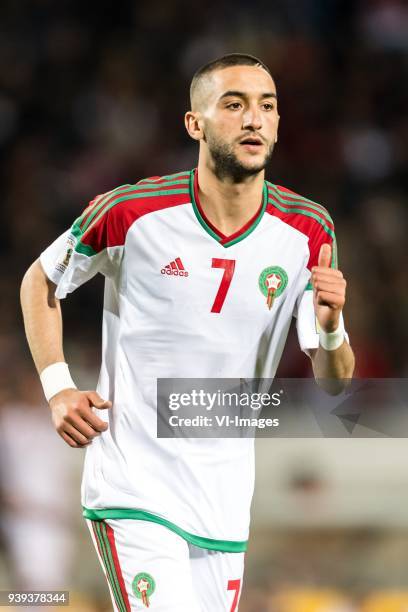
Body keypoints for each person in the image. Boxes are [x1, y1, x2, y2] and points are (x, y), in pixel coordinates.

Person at [20, 53, 355, 611]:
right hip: (135, 489)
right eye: (235, 104)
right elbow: (40, 281)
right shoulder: (132, 212)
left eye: (267, 106)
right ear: (194, 123)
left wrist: (331, 327)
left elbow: (336, 383)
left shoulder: (306, 230)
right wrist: (58, 387)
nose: (255, 119)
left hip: (223, 500)